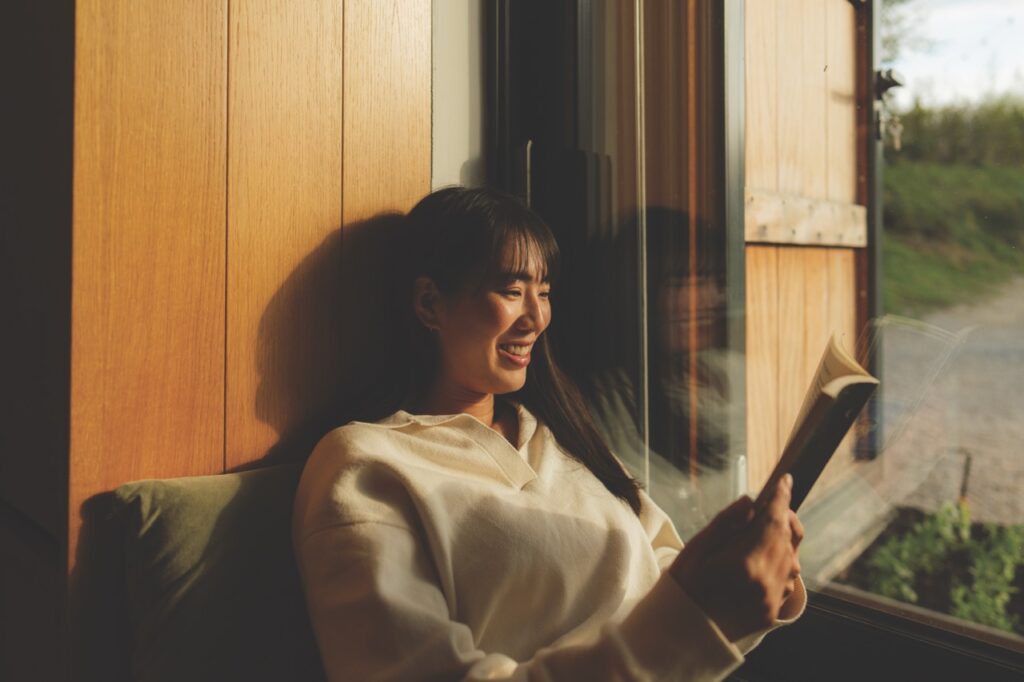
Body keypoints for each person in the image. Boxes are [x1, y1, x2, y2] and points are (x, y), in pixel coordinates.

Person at [292, 186, 805, 681]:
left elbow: (663, 568)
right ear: (429, 304)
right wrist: (697, 622)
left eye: (544, 292)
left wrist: (750, 579)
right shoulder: (365, 465)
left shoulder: (558, 434)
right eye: (512, 291)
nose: (536, 317)